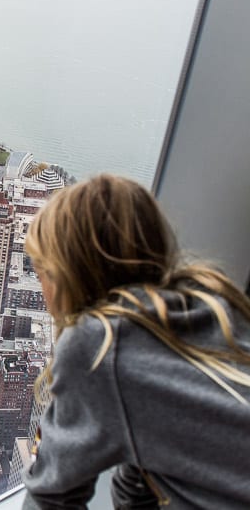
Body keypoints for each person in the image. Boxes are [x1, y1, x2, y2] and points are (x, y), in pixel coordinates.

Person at [21, 174, 250, 509]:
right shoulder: (211, 302)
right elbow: (149, 451)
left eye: (42, 272)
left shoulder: (98, 343)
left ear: (66, 274)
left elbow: (51, 497)